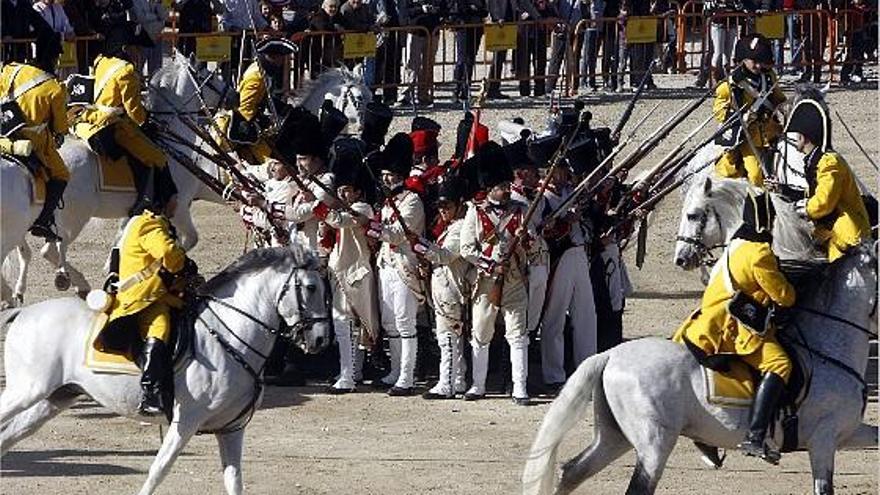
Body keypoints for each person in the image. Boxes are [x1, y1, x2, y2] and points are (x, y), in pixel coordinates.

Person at [673, 189, 795, 464]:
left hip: (707, 318)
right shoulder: (760, 253)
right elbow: (783, 296)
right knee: (780, 364)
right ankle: (755, 436)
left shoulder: (737, 243)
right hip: (731, 328)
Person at [103, 191, 196, 416]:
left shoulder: (152, 222)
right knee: (160, 327)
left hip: (157, 291)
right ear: (165, 203)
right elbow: (167, 252)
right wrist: (183, 266)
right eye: (176, 200)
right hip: (143, 296)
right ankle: (151, 393)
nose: (178, 204)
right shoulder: (150, 225)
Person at [458, 141, 534, 405]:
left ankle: (520, 388)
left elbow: (533, 246)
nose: (506, 190)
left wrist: (526, 238)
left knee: (518, 334)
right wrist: (491, 266)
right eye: (501, 186)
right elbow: (467, 248)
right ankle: (478, 385)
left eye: (506, 185)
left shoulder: (521, 210)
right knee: (480, 333)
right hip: (485, 282)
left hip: (514, 280)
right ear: (490, 188)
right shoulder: (475, 213)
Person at [77, 27, 173, 216]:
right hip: (113, 124)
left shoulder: (102, 61)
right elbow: (134, 110)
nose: (139, 54)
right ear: (125, 48)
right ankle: (146, 202)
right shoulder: (126, 71)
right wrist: (147, 124)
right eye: (136, 49)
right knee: (157, 157)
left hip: (94, 117)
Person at [317, 139, 379, 393]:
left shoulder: (362, 208)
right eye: (340, 191)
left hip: (355, 271)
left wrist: (320, 204)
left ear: (358, 191)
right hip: (340, 270)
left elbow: (339, 219)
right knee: (344, 325)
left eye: (348, 191)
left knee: (352, 324)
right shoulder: (346, 209)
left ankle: (350, 374)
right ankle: (350, 372)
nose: (343, 195)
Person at [367, 133, 426, 395]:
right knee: (390, 322)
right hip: (386, 265)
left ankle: (407, 375)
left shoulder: (412, 200)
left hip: (404, 266)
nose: (387, 178)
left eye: (391, 174)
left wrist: (372, 226)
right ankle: (395, 370)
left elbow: (397, 234)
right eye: (384, 174)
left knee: (404, 321)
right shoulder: (389, 201)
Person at [539, 141, 598, 392]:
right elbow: (543, 231)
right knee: (554, 317)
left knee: (586, 315)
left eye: (565, 171)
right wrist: (565, 220)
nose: (564, 175)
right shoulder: (542, 198)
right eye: (559, 171)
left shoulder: (572, 191)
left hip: (579, 254)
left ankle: (588, 369)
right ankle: (554, 374)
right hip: (559, 258)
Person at [0, 31, 69, 241]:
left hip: (2, 132)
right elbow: (59, 127)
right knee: (61, 174)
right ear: (54, 58)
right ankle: (43, 220)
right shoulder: (54, 88)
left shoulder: (11, 70)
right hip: (30, 143)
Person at [786, 98, 871, 262]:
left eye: (797, 136)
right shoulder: (816, 160)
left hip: (846, 236)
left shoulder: (830, 162)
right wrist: (783, 191)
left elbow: (823, 203)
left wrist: (795, 209)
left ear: (804, 138)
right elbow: (812, 194)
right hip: (828, 234)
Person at [420, 177, 473, 399]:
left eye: (447, 206)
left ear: (459, 205)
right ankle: (457, 379)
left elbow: (446, 255)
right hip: (443, 287)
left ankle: (447, 383)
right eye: (440, 207)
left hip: (452, 288)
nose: (443, 211)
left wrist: (420, 245)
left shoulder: (461, 227)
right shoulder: (450, 227)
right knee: (451, 337)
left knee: (447, 337)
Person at [713, 33, 786, 187]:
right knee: (755, 174)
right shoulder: (729, 86)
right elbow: (720, 113)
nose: (759, 66)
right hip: (748, 136)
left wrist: (784, 109)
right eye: (755, 61)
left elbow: (779, 99)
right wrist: (742, 118)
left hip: (772, 131)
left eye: (762, 62)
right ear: (742, 60)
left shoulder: (769, 77)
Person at [220, 37, 297, 165]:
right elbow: (245, 109)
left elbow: (264, 98)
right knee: (271, 162)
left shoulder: (263, 70)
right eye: (281, 57)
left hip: (252, 119)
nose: (282, 61)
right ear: (272, 57)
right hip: (244, 125)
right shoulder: (256, 77)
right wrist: (264, 121)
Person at [486, 0, 540, 99]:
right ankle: (492, 88)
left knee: (509, 57)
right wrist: (497, 17)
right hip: (501, 24)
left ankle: (495, 88)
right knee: (498, 58)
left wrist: (536, 15)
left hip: (513, 23)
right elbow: (492, 3)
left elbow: (523, 2)